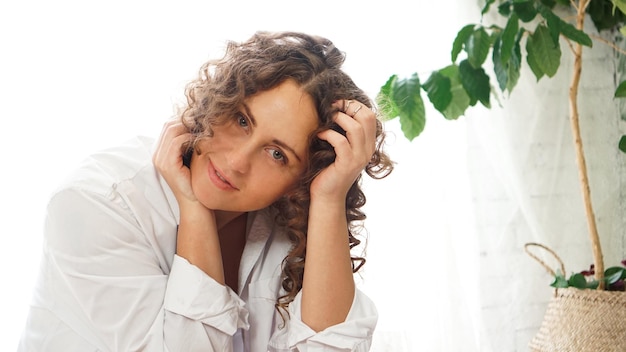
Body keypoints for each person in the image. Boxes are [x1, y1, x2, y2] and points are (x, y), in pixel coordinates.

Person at [18, 31, 394, 352]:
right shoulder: (96, 204)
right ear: (219, 100)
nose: (236, 161)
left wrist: (328, 200)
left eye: (277, 154)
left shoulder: (283, 225)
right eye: (242, 120)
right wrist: (194, 210)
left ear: (300, 182)